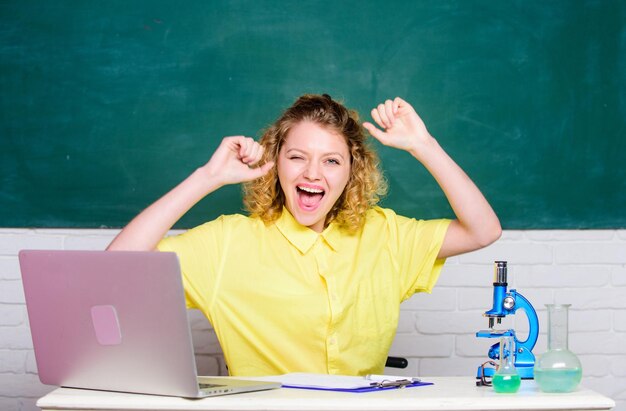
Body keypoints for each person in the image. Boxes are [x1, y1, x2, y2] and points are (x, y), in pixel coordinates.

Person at [107, 94, 501, 376]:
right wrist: (206, 179)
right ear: (275, 162)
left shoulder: (386, 235)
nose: (313, 174)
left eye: (332, 161)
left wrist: (423, 145)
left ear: (352, 173)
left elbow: (483, 230)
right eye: (297, 157)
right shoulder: (227, 243)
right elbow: (113, 270)